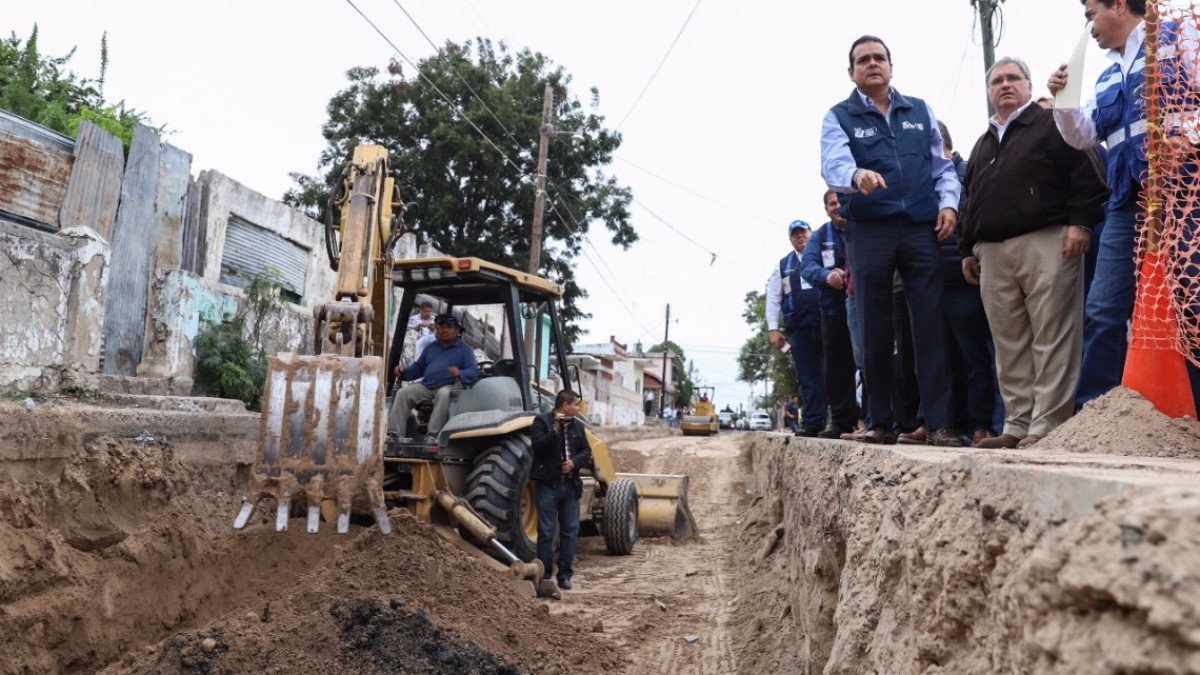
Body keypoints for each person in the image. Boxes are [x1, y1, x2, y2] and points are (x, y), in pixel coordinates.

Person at [1047, 0, 1200, 411]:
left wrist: (1188, 133)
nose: (1088, 27)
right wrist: (1063, 101)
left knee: (1191, 299)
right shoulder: (1106, 76)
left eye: (1090, 14)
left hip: (1184, 195)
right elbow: (1083, 136)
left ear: (1118, 5)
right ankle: (1096, 412)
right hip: (1127, 202)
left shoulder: (1181, 37)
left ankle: (1194, 411)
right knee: (1103, 308)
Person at [820, 35, 962, 447]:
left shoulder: (919, 111)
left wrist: (949, 205)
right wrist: (854, 176)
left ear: (891, 66)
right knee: (875, 325)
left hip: (921, 229)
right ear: (852, 72)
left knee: (929, 324)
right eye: (863, 60)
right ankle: (880, 422)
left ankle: (939, 424)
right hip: (870, 229)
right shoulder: (839, 116)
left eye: (879, 58)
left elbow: (943, 167)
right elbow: (833, 161)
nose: (872, 64)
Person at [963, 57, 1109, 448]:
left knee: (1053, 334)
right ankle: (1016, 424)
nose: (1005, 85)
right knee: (1008, 342)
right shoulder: (983, 142)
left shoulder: (1052, 122)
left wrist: (1081, 222)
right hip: (992, 251)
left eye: (1014, 78)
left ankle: (1048, 425)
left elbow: (1089, 171)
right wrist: (967, 247)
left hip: (1047, 239)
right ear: (989, 91)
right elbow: (969, 198)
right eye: (997, 80)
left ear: (1028, 86)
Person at [800, 190, 860, 439]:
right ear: (826, 209)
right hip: (832, 311)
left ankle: (873, 420)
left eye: (840, 202)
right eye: (832, 204)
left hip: (863, 309)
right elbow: (807, 266)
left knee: (868, 362)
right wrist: (827, 277)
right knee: (836, 367)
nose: (837, 207)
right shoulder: (821, 235)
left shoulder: (863, 227)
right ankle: (841, 422)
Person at [767, 220, 827, 437]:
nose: (800, 237)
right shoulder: (783, 266)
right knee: (807, 375)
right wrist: (773, 328)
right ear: (790, 239)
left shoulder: (825, 256)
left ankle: (838, 422)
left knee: (832, 372)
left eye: (803, 233)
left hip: (827, 322)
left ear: (811, 234)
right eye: (796, 235)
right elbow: (773, 298)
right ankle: (812, 422)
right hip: (798, 327)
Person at [531, 389, 593, 591]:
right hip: (548, 486)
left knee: (570, 532)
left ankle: (565, 576)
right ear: (565, 406)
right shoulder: (542, 422)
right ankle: (546, 575)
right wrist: (555, 429)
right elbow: (538, 446)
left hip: (570, 486)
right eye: (575, 404)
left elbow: (586, 451)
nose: (578, 408)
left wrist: (574, 463)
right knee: (547, 532)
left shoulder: (577, 426)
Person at [386, 313, 479, 441]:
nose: (444, 330)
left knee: (443, 393)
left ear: (457, 331)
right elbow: (419, 368)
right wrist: (403, 372)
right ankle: (394, 434)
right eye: (441, 327)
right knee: (403, 393)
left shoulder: (465, 350)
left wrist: (460, 373)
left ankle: (432, 435)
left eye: (449, 327)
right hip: (427, 386)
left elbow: (473, 370)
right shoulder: (431, 348)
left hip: (450, 385)